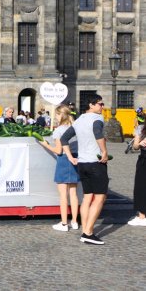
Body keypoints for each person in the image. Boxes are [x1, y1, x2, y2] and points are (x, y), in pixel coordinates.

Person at [61, 94, 109, 245]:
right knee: (100, 197)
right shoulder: (97, 118)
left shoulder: (79, 119)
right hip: (96, 162)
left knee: (88, 197)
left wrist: (70, 157)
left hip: (82, 164)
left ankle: (84, 231)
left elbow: (64, 139)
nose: (102, 106)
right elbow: (97, 132)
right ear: (91, 105)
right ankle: (88, 233)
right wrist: (104, 151)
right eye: (100, 104)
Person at [39, 105, 80, 232]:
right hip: (76, 159)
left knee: (63, 195)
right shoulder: (75, 128)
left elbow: (58, 150)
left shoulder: (59, 130)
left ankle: (63, 223)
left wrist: (45, 145)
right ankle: (74, 221)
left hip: (64, 161)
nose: (55, 117)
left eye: (56, 114)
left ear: (61, 115)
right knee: (73, 193)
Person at [128, 121, 146, 226]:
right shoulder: (140, 128)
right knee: (140, 187)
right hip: (143, 160)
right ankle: (142, 215)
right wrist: (139, 143)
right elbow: (134, 146)